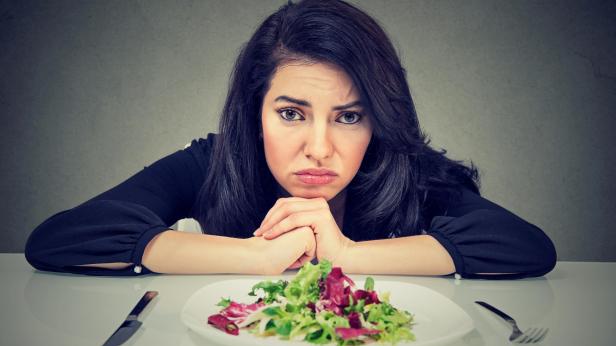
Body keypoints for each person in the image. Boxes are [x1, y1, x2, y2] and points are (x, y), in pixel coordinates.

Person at [25, 0, 556, 279]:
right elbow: (61, 239)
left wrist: (346, 254)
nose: (320, 148)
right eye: (291, 113)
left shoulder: (402, 169)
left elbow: (526, 248)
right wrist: (256, 257)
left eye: (349, 118)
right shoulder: (214, 161)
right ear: (254, 112)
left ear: (378, 121)